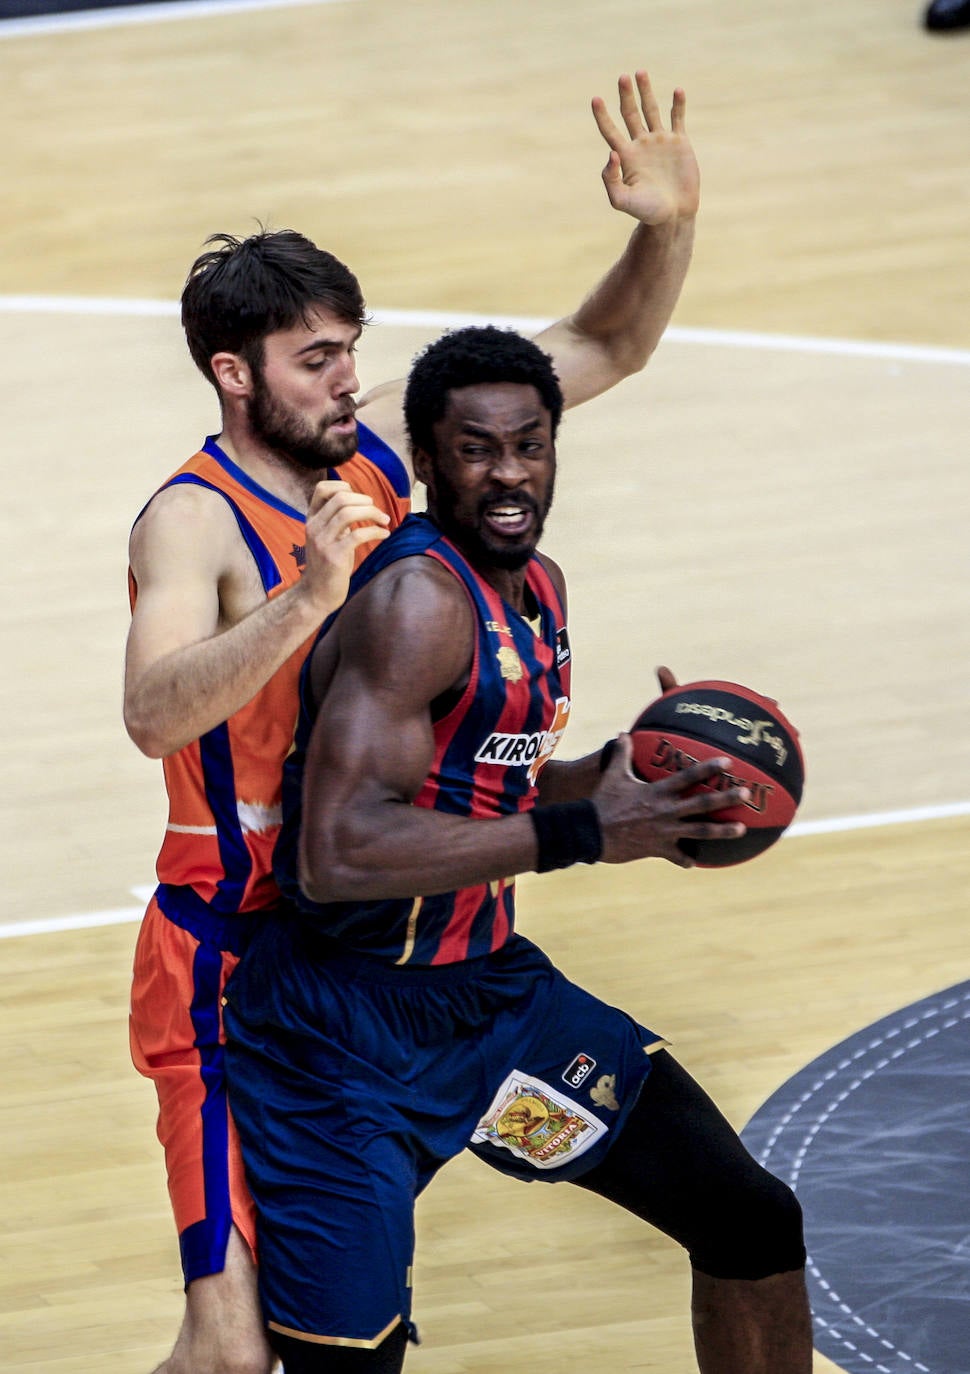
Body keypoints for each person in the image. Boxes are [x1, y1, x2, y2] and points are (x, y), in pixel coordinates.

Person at [124, 69, 704, 1374]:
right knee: (227, 1353)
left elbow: (600, 348)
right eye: (314, 358)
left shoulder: (377, 450)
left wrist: (661, 228)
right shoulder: (191, 518)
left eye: (350, 348)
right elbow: (151, 710)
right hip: (231, 959)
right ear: (233, 372)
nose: (347, 379)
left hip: (370, 956)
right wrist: (305, 599)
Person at [222, 325, 814, 1374]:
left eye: (530, 445)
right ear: (429, 460)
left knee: (747, 1219)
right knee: (346, 1362)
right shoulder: (414, 602)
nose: (508, 474)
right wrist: (587, 832)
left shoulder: (537, 590)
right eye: (475, 448)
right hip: (339, 1041)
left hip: (493, 1008)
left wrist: (633, 783)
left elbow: (489, 788)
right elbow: (339, 853)